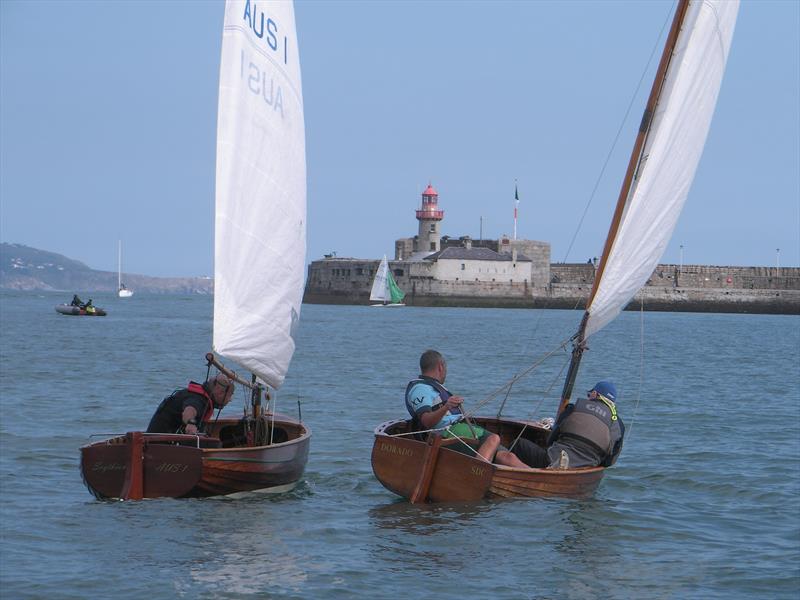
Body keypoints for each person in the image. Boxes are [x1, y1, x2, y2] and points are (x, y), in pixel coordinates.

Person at [405, 350, 531, 468]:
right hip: (447, 432)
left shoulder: (434, 387)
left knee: (507, 457)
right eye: (445, 368)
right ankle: (476, 476)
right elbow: (426, 421)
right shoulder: (420, 388)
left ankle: (540, 480)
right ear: (440, 366)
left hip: (460, 429)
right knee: (493, 439)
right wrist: (446, 407)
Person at [516, 381, 625, 469]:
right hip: (587, 469)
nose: (588, 397)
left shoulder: (573, 408)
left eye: (589, 394)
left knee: (518, 443)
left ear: (595, 394)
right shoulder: (618, 425)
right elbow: (609, 462)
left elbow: (551, 440)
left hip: (553, 461)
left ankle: (525, 472)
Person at [146, 373, 235, 435]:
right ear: (219, 392)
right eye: (230, 395)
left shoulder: (198, 395)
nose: (230, 399)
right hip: (158, 443)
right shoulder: (198, 399)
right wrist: (190, 423)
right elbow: (190, 410)